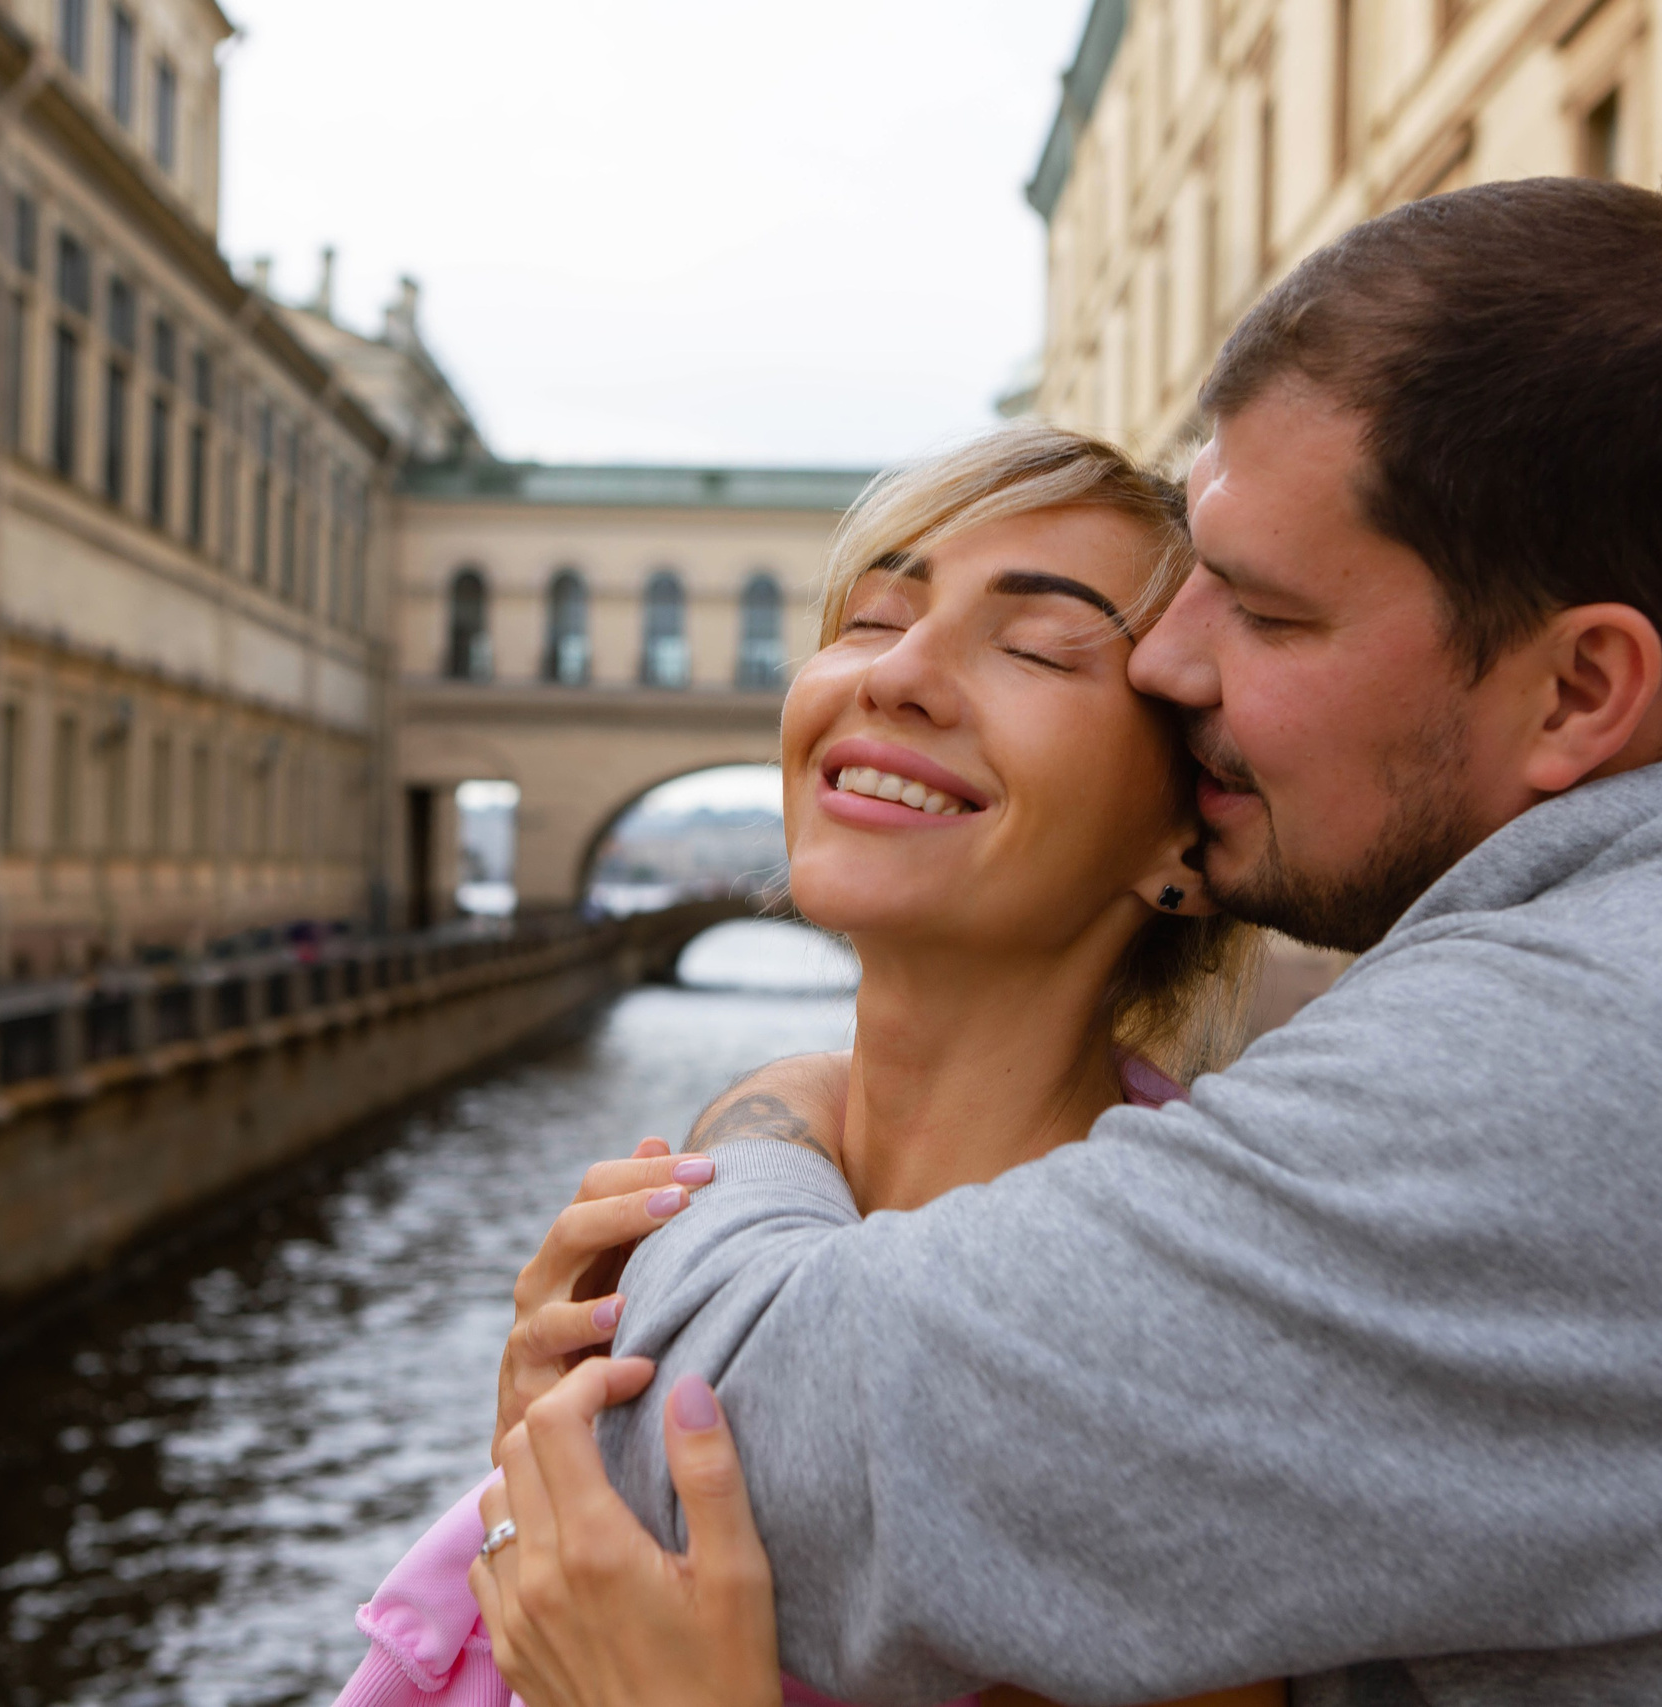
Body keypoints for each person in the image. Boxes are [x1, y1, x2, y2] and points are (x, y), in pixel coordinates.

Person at [466, 177, 1662, 1706]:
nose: (1176, 657)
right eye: (872, 615)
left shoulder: (1622, 1052)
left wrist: (761, 1119)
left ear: (1579, 691)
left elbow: (727, 1452)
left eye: (1265, 612)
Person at [339, 427, 1286, 1707]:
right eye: (873, 615)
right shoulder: (714, 1210)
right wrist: (549, 1484)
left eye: (1034, 648)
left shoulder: (1181, 1352)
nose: (896, 674)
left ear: (1187, 819)